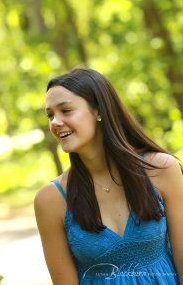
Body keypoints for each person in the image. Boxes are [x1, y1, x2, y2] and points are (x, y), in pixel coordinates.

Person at [34, 68, 183, 285]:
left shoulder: (161, 169)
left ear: (99, 111)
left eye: (65, 110)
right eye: (50, 115)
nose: (55, 122)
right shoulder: (51, 200)